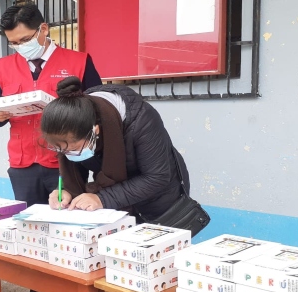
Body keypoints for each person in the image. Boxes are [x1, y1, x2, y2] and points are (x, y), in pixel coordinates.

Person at [0, 3, 102, 292]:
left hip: (65, 162)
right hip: (23, 162)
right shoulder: (4, 67)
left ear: (44, 29)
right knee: (33, 234)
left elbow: (99, 107)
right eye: (14, 42)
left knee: (69, 231)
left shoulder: (78, 62)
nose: (20, 47)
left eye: (25, 39)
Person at [42, 77, 193, 224]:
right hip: (117, 203)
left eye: (73, 149)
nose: (69, 155)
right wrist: (65, 190)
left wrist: (102, 198)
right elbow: (75, 168)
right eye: (61, 150)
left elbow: (157, 177)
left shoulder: (142, 120)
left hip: (159, 202)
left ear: (95, 131)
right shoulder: (78, 120)